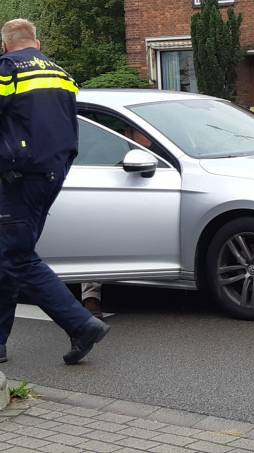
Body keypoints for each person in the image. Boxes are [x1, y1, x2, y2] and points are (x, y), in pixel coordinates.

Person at [0, 19, 110, 364]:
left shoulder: (7, 69)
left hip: (18, 176)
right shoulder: (60, 73)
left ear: (4, 45)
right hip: (52, 173)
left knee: (15, 257)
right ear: (38, 43)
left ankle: (81, 324)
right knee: (9, 256)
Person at [81, 126, 154, 318]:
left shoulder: (161, 148)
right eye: (144, 131)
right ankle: (91, 297)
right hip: (112, 208)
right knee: (95, 232)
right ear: (128, 133)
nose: (150, 135)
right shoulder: (106, 150)